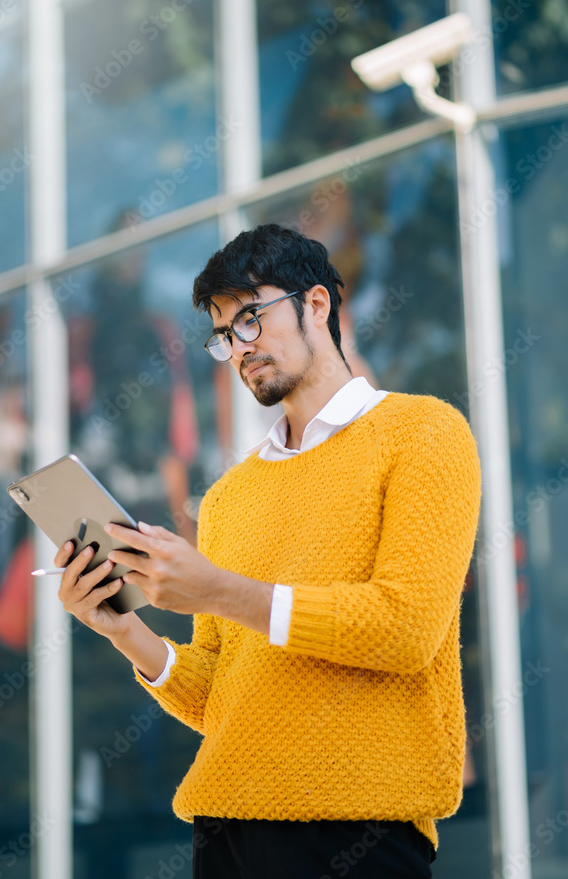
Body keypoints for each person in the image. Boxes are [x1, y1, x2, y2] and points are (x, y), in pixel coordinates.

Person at [57, 224, 482, 878]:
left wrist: (219, 590)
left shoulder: (423, 434)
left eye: (251, 318)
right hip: (224, 832)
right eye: (225, 334)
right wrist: (123, 630)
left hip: (358, 832)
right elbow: (222, 696)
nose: (239, 348)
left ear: (317, 305)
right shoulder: (228, 498)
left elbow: (405, 629)